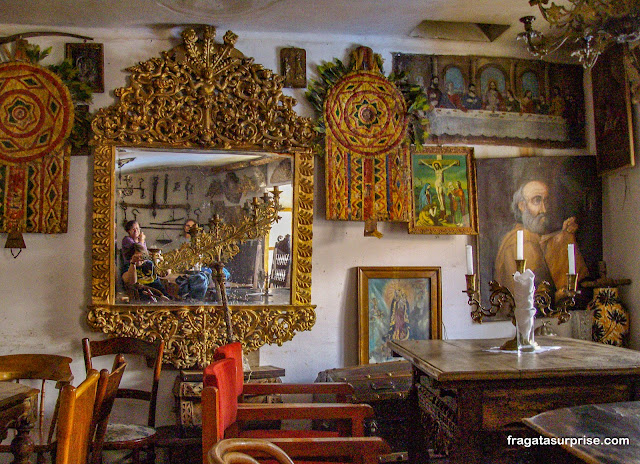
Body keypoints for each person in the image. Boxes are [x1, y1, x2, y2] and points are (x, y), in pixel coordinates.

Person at [494, 179, 589, 302]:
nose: (544, 210)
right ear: (522, 206)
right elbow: (531, 297)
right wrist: (556, 297)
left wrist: (564, 236)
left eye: (546, 201)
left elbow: (544, 245)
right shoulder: (521, 241)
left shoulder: (532, 236)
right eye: (537, 201)